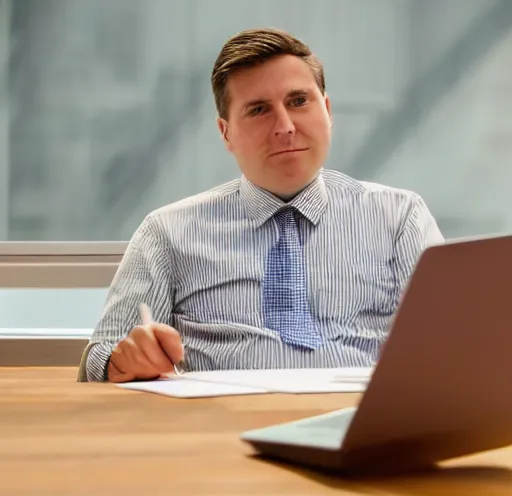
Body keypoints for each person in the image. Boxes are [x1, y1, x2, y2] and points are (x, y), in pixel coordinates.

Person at [78, 27, 444, 383]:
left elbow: (457, 345)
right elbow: (98, 359)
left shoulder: (400, 217)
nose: (285, 126)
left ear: (327, 111)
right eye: (258, 110)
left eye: (298, 101)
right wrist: (123, 360)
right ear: (226, 133)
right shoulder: (167, 232)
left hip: (361, 422)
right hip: (221, 427)